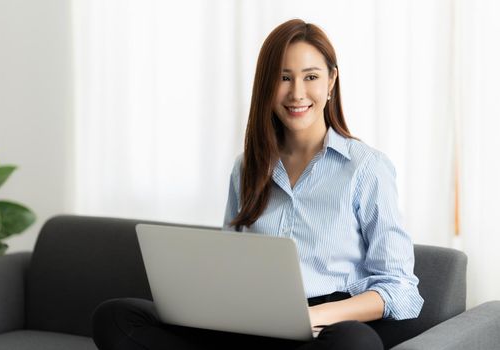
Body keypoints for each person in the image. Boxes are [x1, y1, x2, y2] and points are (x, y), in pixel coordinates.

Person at [92, 18, 423, 350]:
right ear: (266, 84)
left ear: (331, 81)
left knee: (355, 343)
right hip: (249, 322)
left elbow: (401, 290)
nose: (297, 93)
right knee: (115, 317)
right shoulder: (247, 168)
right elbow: (228, 262)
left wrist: (315, 316)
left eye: (311, 77)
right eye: (283, 78)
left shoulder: (367, 169)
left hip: (325, 326)